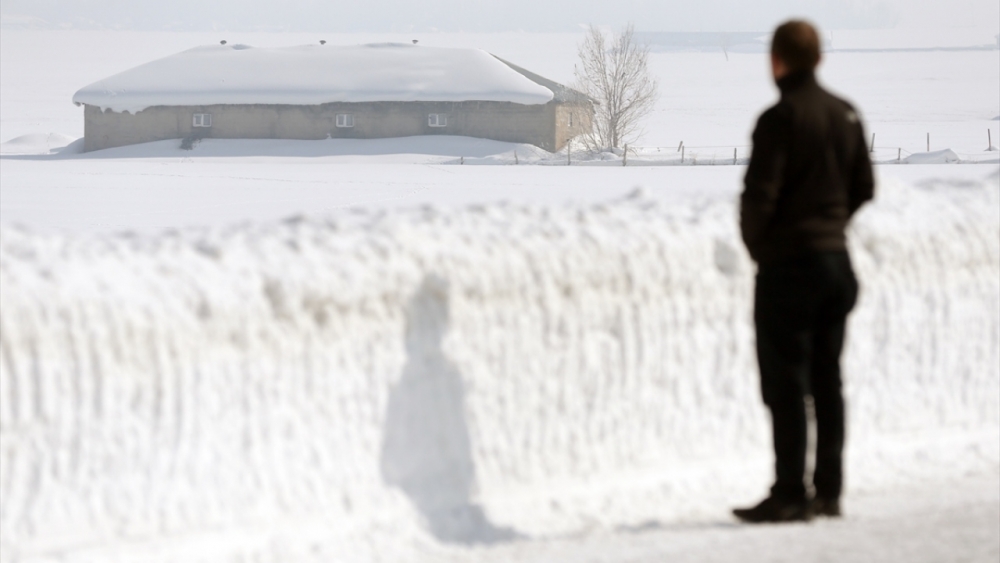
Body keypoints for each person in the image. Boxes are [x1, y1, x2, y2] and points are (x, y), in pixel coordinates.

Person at [733, 20, 874, 523]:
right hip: (837, 264)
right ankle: (829, 490)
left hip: (790, 268)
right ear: (818, 59)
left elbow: (759, 197)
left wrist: (763, 248)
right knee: (827, 379)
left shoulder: (780, 119)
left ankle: (791, 490)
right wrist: (831, 226)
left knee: (787, 382)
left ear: (777, 60)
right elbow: (864, 186)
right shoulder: (846, 113)